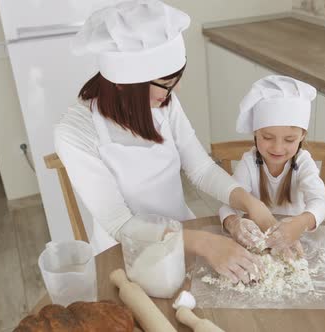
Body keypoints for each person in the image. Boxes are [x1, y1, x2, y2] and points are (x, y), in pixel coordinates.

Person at [54, 0, 277, 283]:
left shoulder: (164, 103)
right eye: (167, 83)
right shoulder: (75, 131)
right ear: (124, 83)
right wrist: (206, 244)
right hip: (128, 258)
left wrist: (250, 203)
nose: (176, 90)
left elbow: (201, 169)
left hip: (185, 235)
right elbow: (120, 224)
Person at [219, 75, 325, 260]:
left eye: (289, 140)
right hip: (256, 246)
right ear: (255, 133)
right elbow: (228, 206)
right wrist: (234, 223)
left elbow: (319, 202)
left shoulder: (303, 163)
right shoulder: (249, 163)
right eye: (268, 138)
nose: (277, 148)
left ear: (302, 135)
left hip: (296, 242)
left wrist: (300, 224)